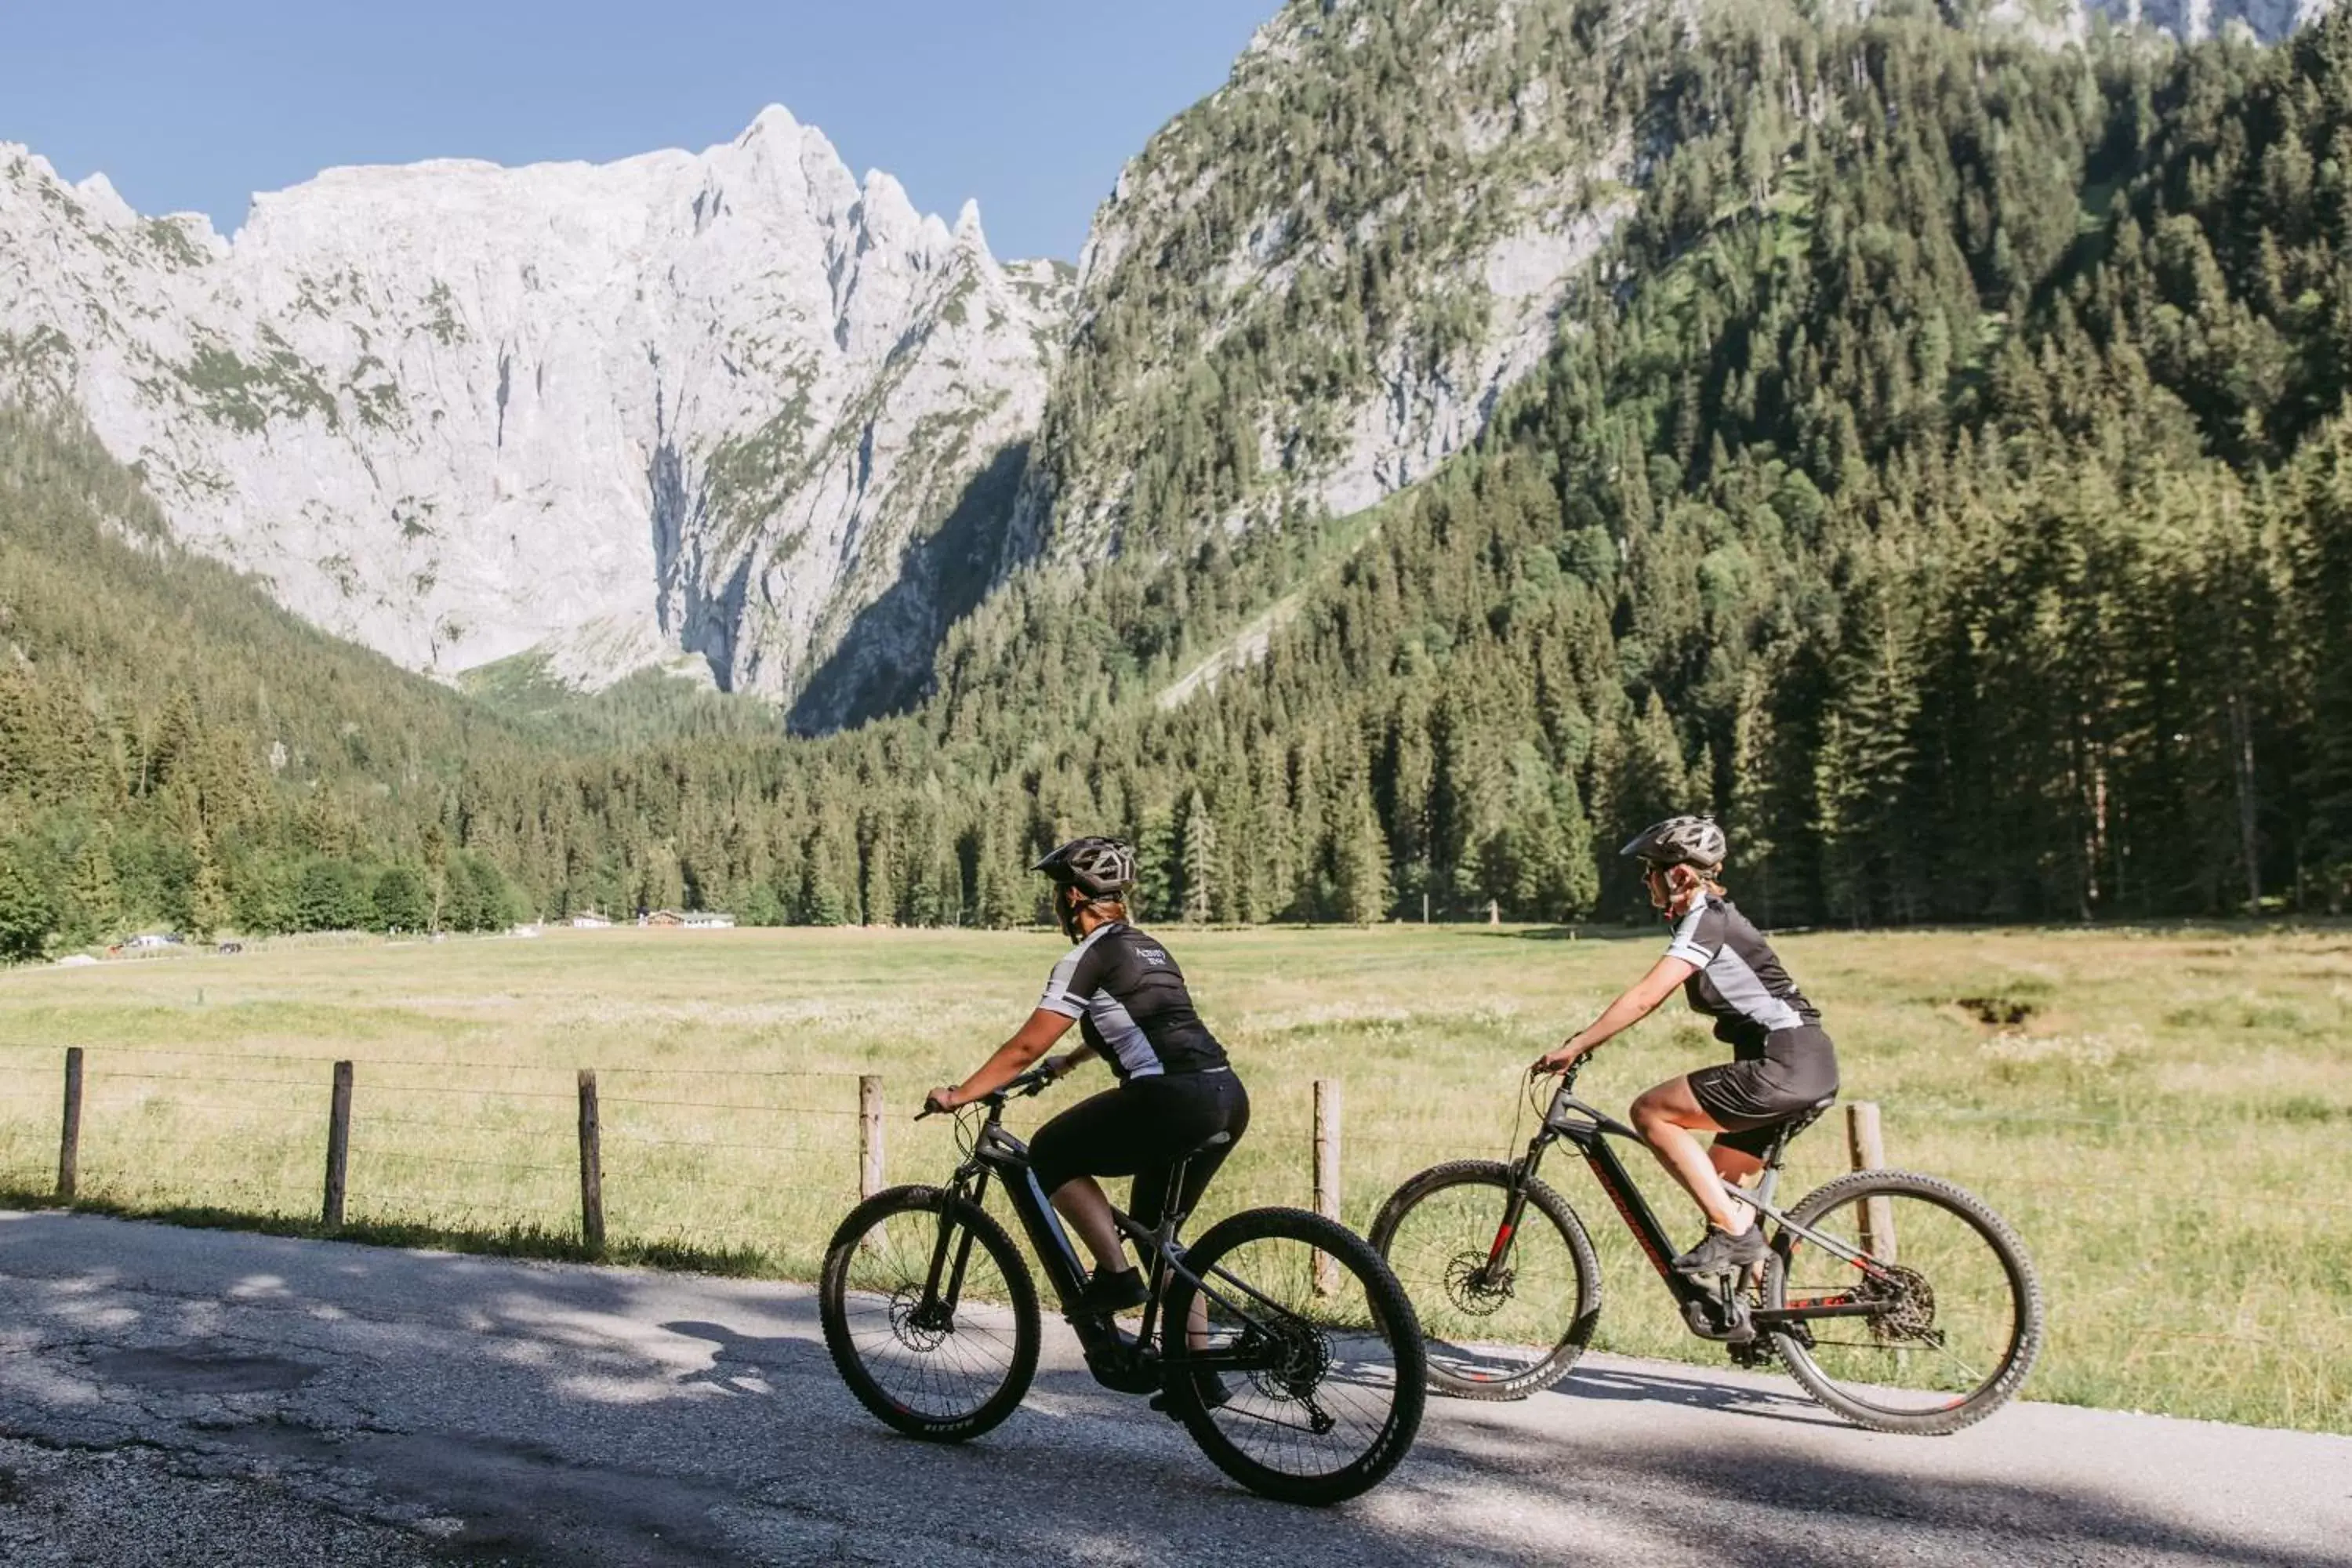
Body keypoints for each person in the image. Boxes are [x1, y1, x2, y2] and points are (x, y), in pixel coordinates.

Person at [924, 836, 1251, 1319]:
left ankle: (1116, 1280)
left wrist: (959, 1094)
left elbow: (1026, 1046)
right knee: (1156, 1238)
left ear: (1073, 896)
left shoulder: (1086, 957)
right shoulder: (1149, 949)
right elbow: (1134, 1022)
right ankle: (1197, 1377)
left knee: (1050, 1152)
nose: (1055, 904)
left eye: (1056, 894)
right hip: (1226, 1095)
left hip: (1169, 1100)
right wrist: (1066, 1064)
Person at [1529, 815, 1838, 1277]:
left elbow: (1646, 996)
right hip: (1804, 1064)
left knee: (1651, 1112)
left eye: (1649, 870)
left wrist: (1576, 1045)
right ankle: (1769, 1320)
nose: (1645, 880)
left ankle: (1734, 1236)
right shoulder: (1716, 919)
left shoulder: (1707, 921)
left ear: (1679, 874)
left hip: (1784, 1063)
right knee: (1725, 1191)